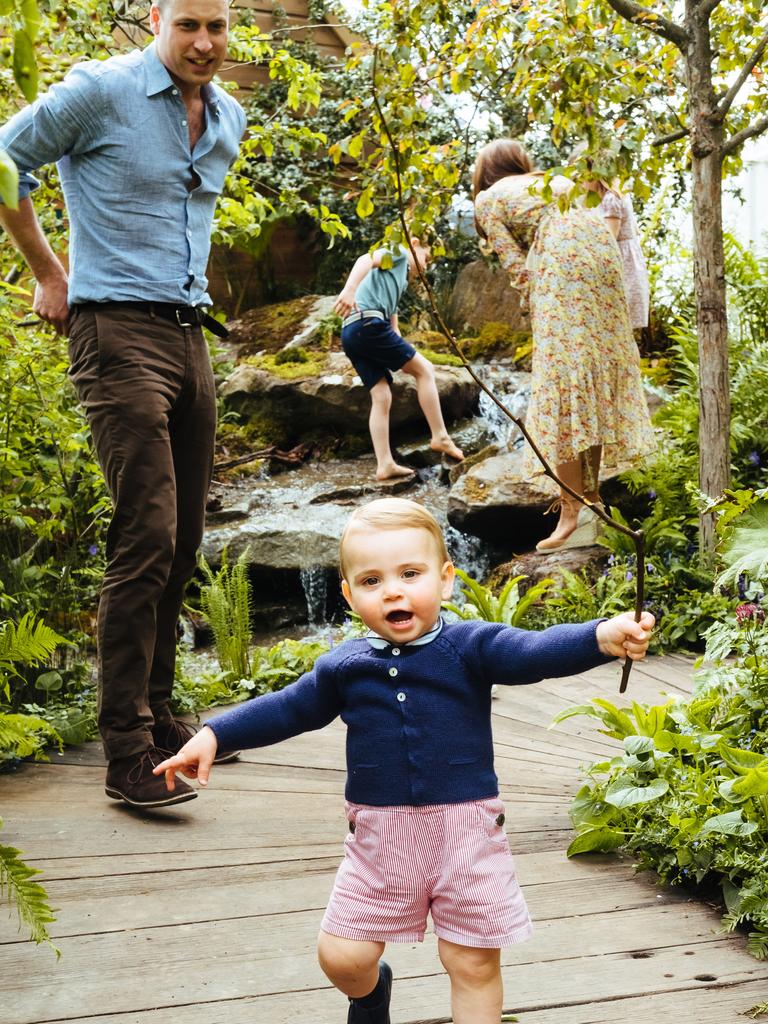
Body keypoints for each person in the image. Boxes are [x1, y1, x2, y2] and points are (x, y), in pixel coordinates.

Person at [153, 497, 654, 1024]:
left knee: (471, 962)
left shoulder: (470, 646)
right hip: (379, 844)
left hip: (468, 838)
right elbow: (289, 708)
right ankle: (370, 996)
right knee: (344, 957)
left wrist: (600, 636)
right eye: (371, 581)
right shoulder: (345, 666)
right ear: (348, 595)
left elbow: (531, 651)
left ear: (445, 580)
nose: (392, 590)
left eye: (410, 574)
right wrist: (214, 733)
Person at [0, 0, 247, 807]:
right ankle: (126, 752)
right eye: (189, 26)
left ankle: (164, 714)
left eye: (217, 27)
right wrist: (47, 272)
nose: (205, 43)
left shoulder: (228, 116)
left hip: (189, 334)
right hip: (114, 331)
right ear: (156, 20)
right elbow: (6, 160)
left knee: (184, 541)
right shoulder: (100, 92)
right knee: (144, 531)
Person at [473, 140, 656, 552]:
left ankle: (570, 514)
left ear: (485, 172)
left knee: (561, 388)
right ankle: (592, 501)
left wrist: (537, 303)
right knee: (587, 379)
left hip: (561, 259)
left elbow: (514, 263)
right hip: (599, 251)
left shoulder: (488, 198)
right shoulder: (548, 180)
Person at [333, 241, 464, 481]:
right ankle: (440, 436)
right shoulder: (400, 252)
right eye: (426, 257)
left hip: (352, 332)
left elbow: (391, 314)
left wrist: (397, 339)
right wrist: (349, 290)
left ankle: (384, 464)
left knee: (381, 395)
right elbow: (365, 258)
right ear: (414, 244)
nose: (426, 266)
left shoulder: (399, 278)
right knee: (424, 370)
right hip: (368, 323)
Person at [569, 143, 650, 330]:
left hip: (620, 269)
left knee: (620, 331)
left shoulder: (611, 199)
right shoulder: (601, 199)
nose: (577, 180)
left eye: (581, 174)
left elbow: (608, 241)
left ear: (596, 172)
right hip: (617, 265)